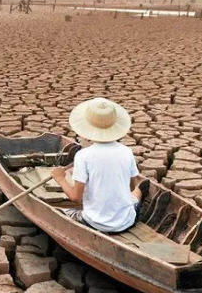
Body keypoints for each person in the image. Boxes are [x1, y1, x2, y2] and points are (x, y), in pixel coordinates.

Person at [50, 97, 145, 233]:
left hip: (95, 223)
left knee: (63, 211)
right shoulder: (126, 151)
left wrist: (60, 178)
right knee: (138, 191)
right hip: (127, 221)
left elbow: (76, 198)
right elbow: (131, 187)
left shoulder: (84, 156)